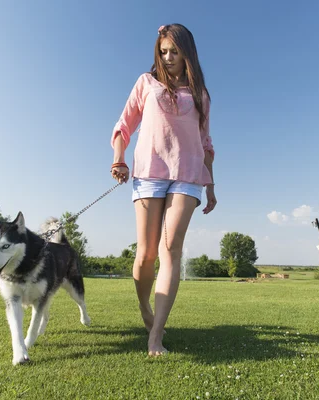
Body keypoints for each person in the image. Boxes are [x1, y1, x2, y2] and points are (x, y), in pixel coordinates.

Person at [110, 23, 216, 356]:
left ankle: (155, 335)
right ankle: (145, 309)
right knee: (147, 254)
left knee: (171, 250)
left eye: (174, 52)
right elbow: (124, 125)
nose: (168, 58)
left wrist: (211, 188)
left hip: (188, 176)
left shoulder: (200, 95)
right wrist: (119, 159)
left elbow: (205, 143)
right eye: (163, 52)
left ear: (187, 53)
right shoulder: (146, 83)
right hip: (148, 173)